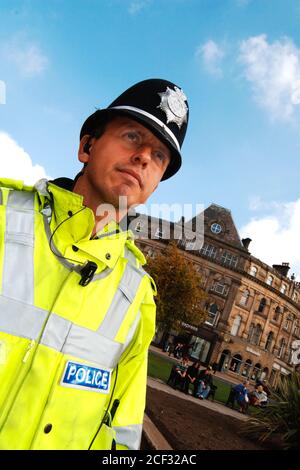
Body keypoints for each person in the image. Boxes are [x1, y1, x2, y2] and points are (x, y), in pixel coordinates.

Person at [0, 78, 189, 450]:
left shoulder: (138, 295)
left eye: (160, 157)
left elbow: (124, 429)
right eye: (133, 136)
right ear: (87, 145)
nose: (145, 158)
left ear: (153, 186)